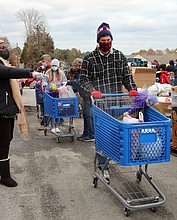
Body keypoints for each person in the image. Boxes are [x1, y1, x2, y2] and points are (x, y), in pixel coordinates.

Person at [79, 22, 138, 180]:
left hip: (116, 101)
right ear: (98, 41)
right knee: (103, 134)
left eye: (108, 39)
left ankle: (119, 156)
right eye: (102, 40)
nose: (106, 42)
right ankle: (103, 163)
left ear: (112, 40)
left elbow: (127, 76)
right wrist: (92, 90)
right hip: (99, 104)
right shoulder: (90, 59)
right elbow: (83, 79)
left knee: (117, 132)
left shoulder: (119, 56)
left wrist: (132, 88)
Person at [0, 39, 42, 187]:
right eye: (0, 46)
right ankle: (4, 176)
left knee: (7, 139)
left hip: (6, 109)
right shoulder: (2, 66)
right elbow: (9, 72)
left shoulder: (3, 63)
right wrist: (31, 73)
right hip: (2, 111)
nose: (4, 48)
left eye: (5, 46)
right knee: (4, 142)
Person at [69, 58, 94, 142]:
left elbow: (79, 83)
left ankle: (91, 134)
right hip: (84, 96)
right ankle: (85, 133)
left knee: (88, 116)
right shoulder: (79, 73)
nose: (74, 68)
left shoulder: (83, 74)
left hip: (87, 96)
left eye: (75, 66)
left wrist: (69, 83)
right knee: (86, 115)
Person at [45, 58, 67, 133]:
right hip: (50, 93)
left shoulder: (61, 73)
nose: (54, 67)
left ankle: (56, 126)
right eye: (53, 65)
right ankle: (52, 126)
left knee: (58, 110)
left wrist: (61, 87)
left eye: (55, 65)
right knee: (52, 110)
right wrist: (47, 86)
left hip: (58, 93)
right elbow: (44, 81)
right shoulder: (48, 72)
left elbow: (64, 82)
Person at [37, 54, 52, 130]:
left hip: (49, 91)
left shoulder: (51, 70)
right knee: (43, 107)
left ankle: (44, 123)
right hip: (43, 90)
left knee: (47, 108)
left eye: (44, 61)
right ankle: (45, 121)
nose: (43, 63)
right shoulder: (43, 69)